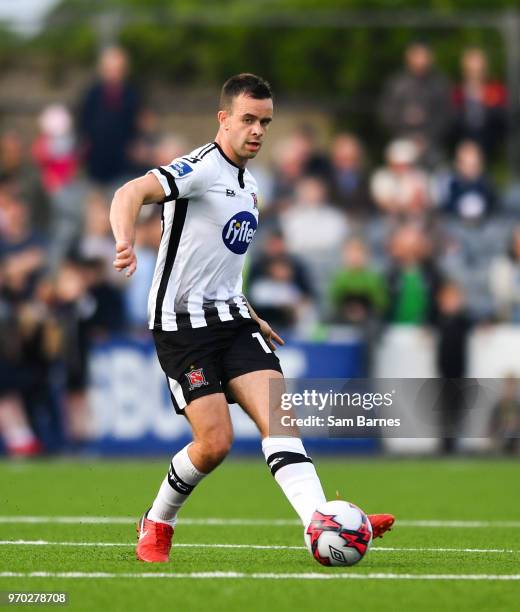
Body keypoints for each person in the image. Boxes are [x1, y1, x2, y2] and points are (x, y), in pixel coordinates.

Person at [109, 73, 394, 563]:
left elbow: (221, 264)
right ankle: (157, 521)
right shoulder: (199, 168)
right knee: (215, 443)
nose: (257, 130)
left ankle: (324, 522)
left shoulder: (251, 185)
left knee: (282, 423)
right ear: (224, 120)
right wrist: (125, 240)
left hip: (234, 321)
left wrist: (249, 313)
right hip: (182, 327)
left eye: (265, 121)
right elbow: (128, 192)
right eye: (247, 119)